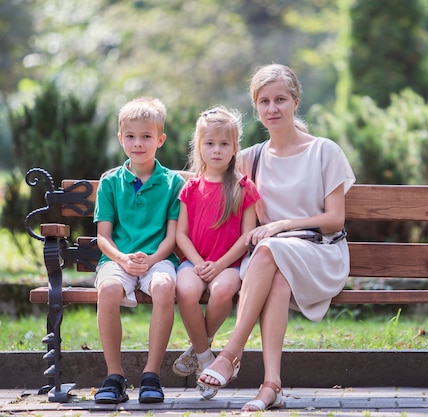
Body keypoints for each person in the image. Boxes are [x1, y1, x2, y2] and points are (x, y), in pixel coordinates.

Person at [197, 64, 355, 411]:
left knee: (269, 249)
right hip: (271, 264)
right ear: (257, 107)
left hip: (321, 253)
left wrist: (282, 226)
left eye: (280, 99)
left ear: (296, 101)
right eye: (264, 101)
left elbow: (334, 220)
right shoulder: (251, 158)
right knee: (277, 274)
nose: (272, 109)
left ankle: (229, 354)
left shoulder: (324, 151)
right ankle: (271, 386)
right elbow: (205, 181)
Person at [93, 97, 186, 404]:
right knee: (107, 290)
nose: (138, 143)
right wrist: (121, 259)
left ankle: (151, 375)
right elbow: (103, 237)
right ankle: (114, 377)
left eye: (146, 136)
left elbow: (173, 236)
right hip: (118, 259)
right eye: (131, 137)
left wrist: (153, 260)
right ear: (121, 139)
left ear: (160, 139)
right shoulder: (110, 182)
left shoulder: (173, 183)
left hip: (158, 258)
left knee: (164, 287)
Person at [172, 106, 260, 399]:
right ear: (199, 146)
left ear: (235, 147)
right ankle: (207, 358)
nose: (217, 150)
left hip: (230, 264)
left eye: (224, 144)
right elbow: (180, 235)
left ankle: (198, 347)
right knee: (185, 291)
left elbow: (247, 235)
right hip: (193, 262)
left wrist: (220, 264)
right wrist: (198, 263)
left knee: (223, 291)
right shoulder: (190, 188)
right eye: (210, 143)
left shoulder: (243, 187)